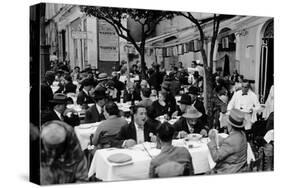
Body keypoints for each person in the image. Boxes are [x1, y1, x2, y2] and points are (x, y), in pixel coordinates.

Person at [207, 109, 248, 174]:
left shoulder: (230, 141)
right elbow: (233, 145)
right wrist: (222, 140)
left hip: (229, 171)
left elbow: (216, 157)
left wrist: (212, 141)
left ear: (230, 125)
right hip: (241, 168)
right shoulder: (242, 134)